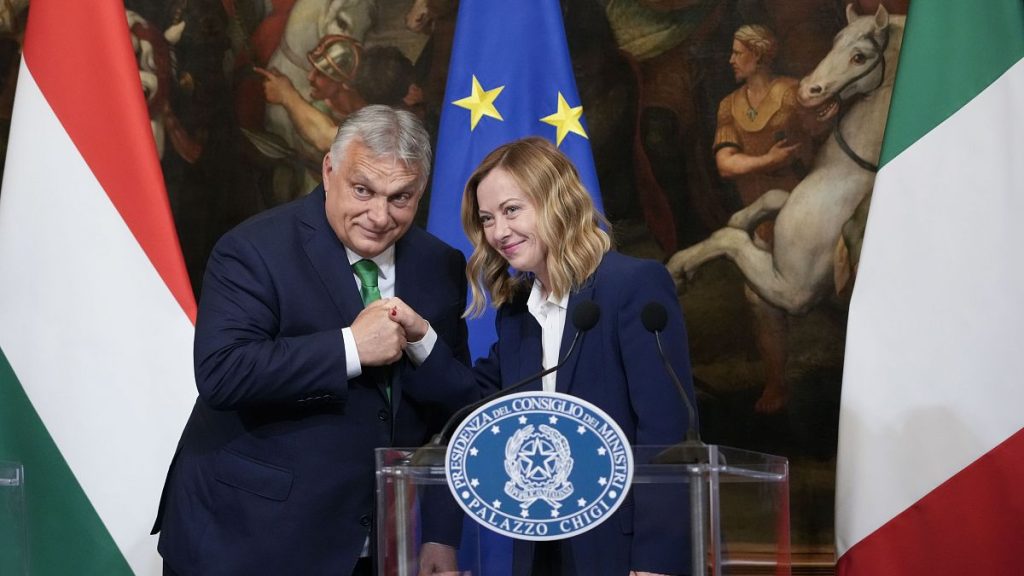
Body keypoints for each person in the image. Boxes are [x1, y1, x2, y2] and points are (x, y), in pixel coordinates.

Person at [152, 105, 475, 575]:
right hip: (248, 540)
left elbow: (455, 416)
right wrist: (349, 347)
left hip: (376, 545)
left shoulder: (439, 265)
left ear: (421, 189)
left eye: (400, 198)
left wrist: (443, 535)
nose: (379, 216)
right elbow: (222, 373)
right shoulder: (253, 249)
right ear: (329, 171)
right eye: (362, 190)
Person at [392, 137, 696, 576]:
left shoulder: (632, 287)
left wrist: (656, 561)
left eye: (512, 210)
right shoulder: (516, 312)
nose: (498, 232)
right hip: (542, 548)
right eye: (487, 219)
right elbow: (470, 407)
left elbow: (667, 433)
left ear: (557, 201)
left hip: (624, 551)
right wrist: (421, 338)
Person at [712, 24, 823, 413]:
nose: (731, 60)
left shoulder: (793, 92)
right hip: (757, 214)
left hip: (802, 208)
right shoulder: (729, 105)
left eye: (737, 53)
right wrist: (767, 161)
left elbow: (819, 131)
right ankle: (777, 383)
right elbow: (725, 164)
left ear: (758, 55)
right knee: (759, 301)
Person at [255, 35, 417, 154]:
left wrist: (286, 95)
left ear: (348, 82)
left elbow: (324, 137)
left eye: (322, 74)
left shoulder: (386, 124)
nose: (310, 77)